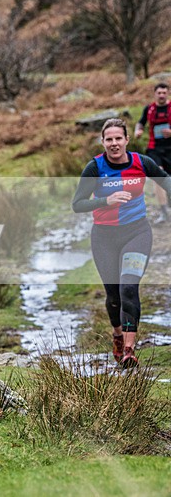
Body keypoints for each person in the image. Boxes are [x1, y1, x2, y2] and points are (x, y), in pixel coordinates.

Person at [72, 118, 171, 367]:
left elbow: (165, 181)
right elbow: (77, 204)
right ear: (103, 142)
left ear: (126, 140)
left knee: (129, 288)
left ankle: (128, 349)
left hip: (137, 233)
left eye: (118, 138)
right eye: (109, 139)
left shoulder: (141, 162)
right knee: (113, 295)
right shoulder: (94, 168)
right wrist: (106, 201)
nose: (114, 143)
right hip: (104, 237)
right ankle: (117, 335)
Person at [134, 83, 171, 223]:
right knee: (158, 177)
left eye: (164, 92)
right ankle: (163, 212)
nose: (161, 95)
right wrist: (138, 130)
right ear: (155, 93)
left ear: (167, 93)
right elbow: (140, 122)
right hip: (154, 149)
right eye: (159, 92)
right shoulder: (149, 109)